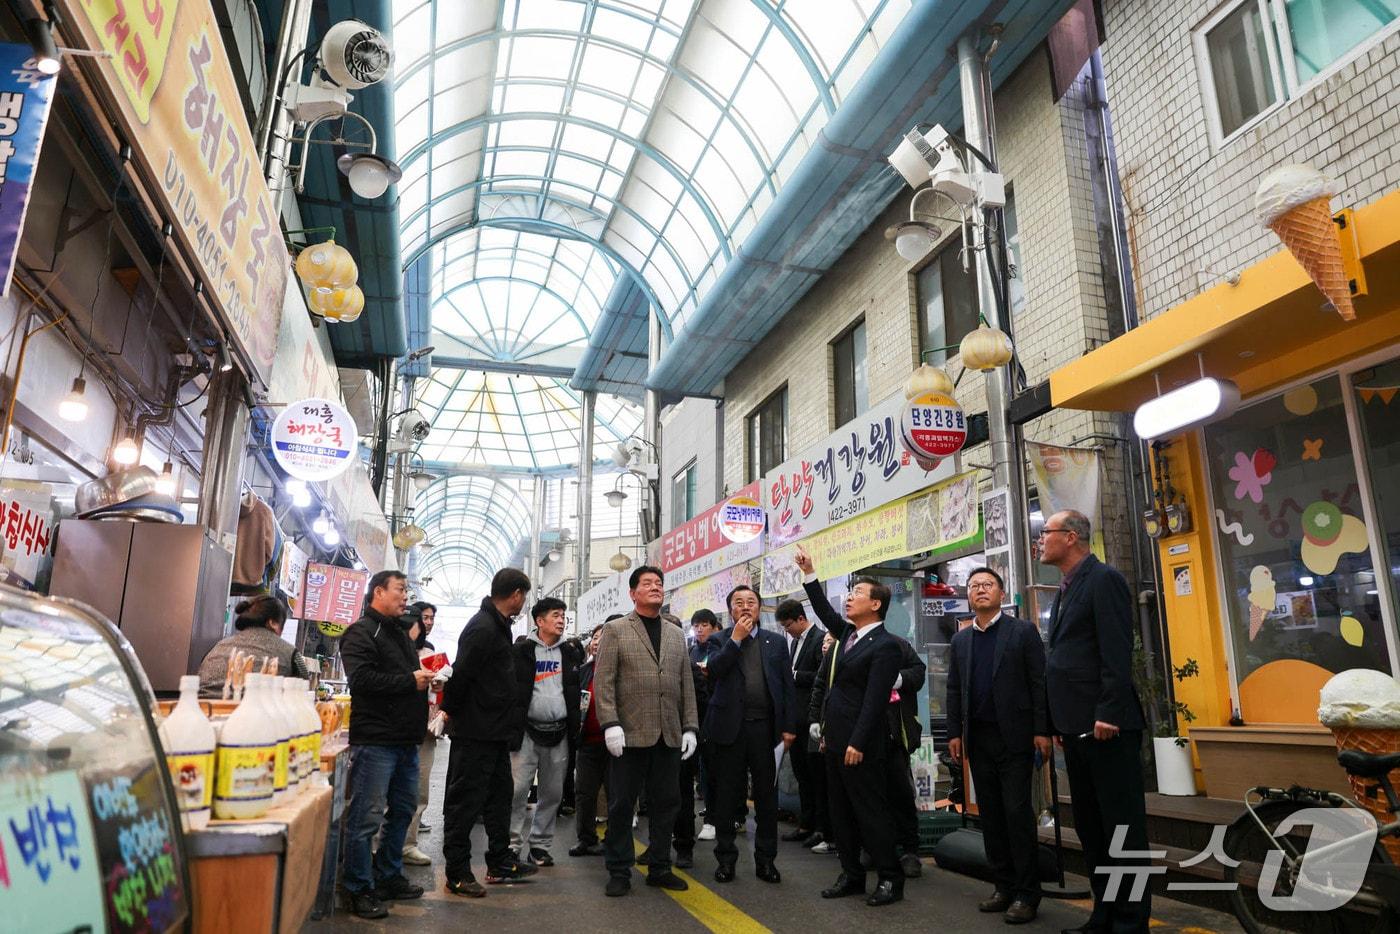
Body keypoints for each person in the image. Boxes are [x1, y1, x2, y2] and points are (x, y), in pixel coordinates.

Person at [1040, 510, 1150, 933]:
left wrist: (1108, 711)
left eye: (1046, 532)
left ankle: (1130, 922)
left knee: (1122, 829)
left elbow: (1116, 651)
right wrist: (1059, 721)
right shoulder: (1067, 587)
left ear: (1071, 537)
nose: (1040, 540)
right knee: (1092, 828)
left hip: (1108, 727)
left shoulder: (1103, 579)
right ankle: (1104, 915)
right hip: (1076, 727)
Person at [797, 546, 905, 907]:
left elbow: (875, 700)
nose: (849, 598)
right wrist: (810, 573)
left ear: (875, 604)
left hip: (863, 744)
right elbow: (823, 610)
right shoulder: (847, 635)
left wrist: (857, 742)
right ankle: (851, 874)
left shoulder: (886, 646)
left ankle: (890, 877)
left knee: (870, 812)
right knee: (840, 812)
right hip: (835, 740)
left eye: (857, 592)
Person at [945, 566, 1049, 923]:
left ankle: (1027, 894)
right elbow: (954, 689)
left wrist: (1041, 730)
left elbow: (1038, 683)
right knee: (990, 815)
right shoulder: (961, 640)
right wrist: (955, 734)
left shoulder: (1022, 631)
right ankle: (1003, 886)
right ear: (968, 596)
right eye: (974, 585)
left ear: (1001, 594)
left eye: (988, 584)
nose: (980, 590)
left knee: (1016, 813)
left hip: (1015, 737)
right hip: (979, 739)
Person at [593, 565, 699, 898]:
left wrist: (690, 727)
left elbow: (686, 684)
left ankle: (660, 867)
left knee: (667, 803)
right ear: (633, 593)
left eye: (659, 583)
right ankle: (619, 870)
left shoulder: (675, 634)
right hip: (629, 733)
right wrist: (610, 724)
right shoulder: (616, 630)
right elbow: (603, 681)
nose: (655, 587)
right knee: (622, 805)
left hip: (668, 734)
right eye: (647, 583)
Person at [337, 571, 433, 919]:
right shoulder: (360, 632)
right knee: (366, 817)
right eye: (400, 589)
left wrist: (425, 680)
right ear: (378, 591)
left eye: (407, 590)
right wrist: (410, 681)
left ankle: (388, 875)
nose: (405, 596)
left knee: (404, 810)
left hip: (406, 740)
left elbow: (404, 679)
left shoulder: (399, 633)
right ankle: (358, 888)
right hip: (376, 741)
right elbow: (362, 680)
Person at [440, 568, 539, 898]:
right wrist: (449, 712)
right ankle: (457, 872)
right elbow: (461, 675)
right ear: (516, 595)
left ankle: (500, 861)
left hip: (495, 732)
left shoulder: (499, 626)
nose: (523, 602)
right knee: (465, 804)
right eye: (524, 596)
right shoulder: (482, 627)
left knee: (499, 799)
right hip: (476, 731)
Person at [702, 585, 798, 884]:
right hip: (728, 729)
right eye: (739, 602)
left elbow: (787, 687)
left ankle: (766, 861)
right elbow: (714, 671)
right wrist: (736, 639)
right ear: (730, 609)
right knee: (727, 797)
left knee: (766, 798)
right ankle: (726, 860)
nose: (745, 606)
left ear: (759, 608)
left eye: (751, 602)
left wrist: (789, 727)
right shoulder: (719, 639)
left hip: (764, 729)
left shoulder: (775, 641)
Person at [508, 597, 583, 867]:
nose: (561, 620)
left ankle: (540, 846)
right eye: (555, 615)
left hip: (559, 733)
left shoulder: (570, 653)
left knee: (552, 794)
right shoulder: (521, 652)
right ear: (539, 621)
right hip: (526, 732)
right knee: (517, 791)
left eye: (563, 615)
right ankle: (511, 846)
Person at [776, 599, 827, 849]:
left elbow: (822, 675)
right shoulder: (795, 642)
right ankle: (806, 824)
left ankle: (821, 828)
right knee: (802, 776)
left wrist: (794, 675)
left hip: (812, 720)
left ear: (800, 618)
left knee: (816, 776)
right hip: (795, 720)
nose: (787, 631)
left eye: (788, 625)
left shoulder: (820, 639)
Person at [196, 593, 309, 697]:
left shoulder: (217, 647)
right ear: (273, 623)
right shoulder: (291, 654)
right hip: (255, 711)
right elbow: (303, 692)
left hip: (202, 708)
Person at [402, 603, 443, 866]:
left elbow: (438, 692)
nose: (427, 623)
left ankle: (408, 844)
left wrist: (438, 686)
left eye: (430, 618)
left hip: (425, 729)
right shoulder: (391, 650)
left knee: (419, 790)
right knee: (392, 792)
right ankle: (378, 847)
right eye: (423, 618)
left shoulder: (430, 652)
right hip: (396, 728)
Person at [570, 621, 614, 857]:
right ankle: (586, 839)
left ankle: (613, 839)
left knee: (615, 794)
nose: (597, 642)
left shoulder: (620, 669)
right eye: (595, 638)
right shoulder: (584, 670)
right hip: (587, 742)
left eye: (602, 637)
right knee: (585, 793)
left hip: (615, 744)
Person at [886, 634, 927, 879]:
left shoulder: (897, 644)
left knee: (901, 793)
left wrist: (898, 679)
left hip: (895, 735)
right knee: (870, 797)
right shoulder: (851, 643)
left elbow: (918, 672)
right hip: (862, 737)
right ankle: (877, 848)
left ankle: (910, 851)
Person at [690, 609, 721, 841]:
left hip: (715, 716)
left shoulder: (719, 648)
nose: (699, 630)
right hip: (693, 717)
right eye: (696, 626)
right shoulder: (691, 651)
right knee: (694, 772)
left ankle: (713, 819)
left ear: (714, 626)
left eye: (704, 625)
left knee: (713, 770)